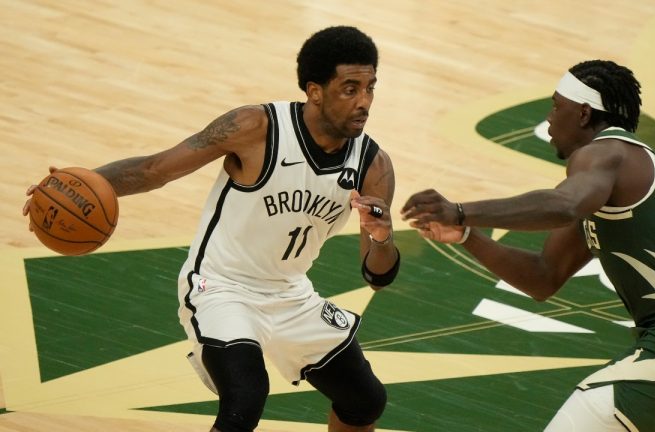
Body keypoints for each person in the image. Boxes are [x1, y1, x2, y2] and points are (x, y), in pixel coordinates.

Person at [24, 26, 399, 432]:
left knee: (365, 400)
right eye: (350, 89)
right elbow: (155, 170)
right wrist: (76, 188)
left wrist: (382, 236)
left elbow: (377, 275)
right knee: (245, 399)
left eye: (370, 88)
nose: (364, 102)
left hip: (290, 295)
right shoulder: (256, 127)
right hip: (220, 287)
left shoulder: (373, 166)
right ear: (315, 90)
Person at [401, 60, 655, 431]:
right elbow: (544, 277)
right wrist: (465, 235)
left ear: (584, 113)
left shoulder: (607, 152)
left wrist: (461, 211)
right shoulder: (606, 184)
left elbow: (562, 205)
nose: (549, 119)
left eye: (557, 106)